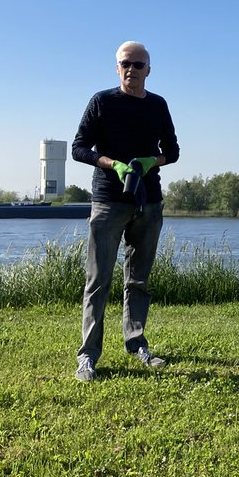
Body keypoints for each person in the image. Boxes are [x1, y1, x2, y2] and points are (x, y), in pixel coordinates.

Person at [72, 41, 179, 382]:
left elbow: (173, 151)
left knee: (139, 279)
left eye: (138, 64)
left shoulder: (158, 105)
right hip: (107, 201)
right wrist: (112, 164)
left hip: (149, 201)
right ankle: (88, 356)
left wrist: (152, 161)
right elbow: (78, 148)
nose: (131, 69)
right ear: (116, 68)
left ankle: (137, 344)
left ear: (149, 69)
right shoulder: (102, 102)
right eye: (125, 64)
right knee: (98, 280)